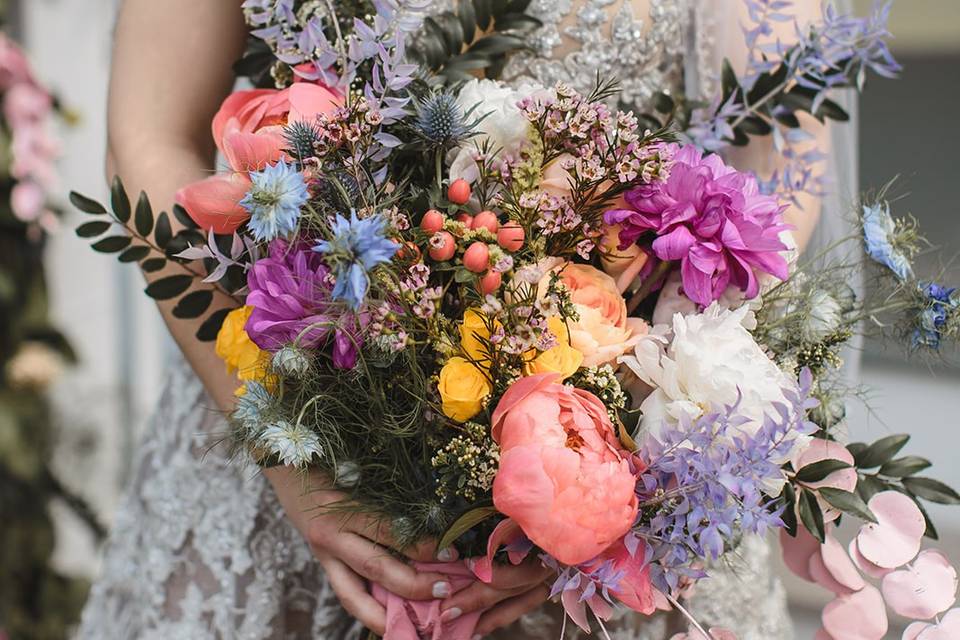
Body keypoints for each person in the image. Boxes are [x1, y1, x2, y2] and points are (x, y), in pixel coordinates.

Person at [77, 1, 851, 638]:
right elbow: (149, 135)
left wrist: (610, 478)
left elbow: (775, 174)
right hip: (294, 409)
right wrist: (292, 462)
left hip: (626, 451)